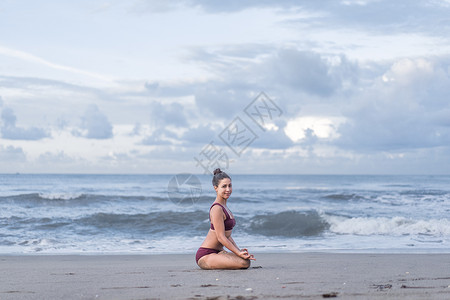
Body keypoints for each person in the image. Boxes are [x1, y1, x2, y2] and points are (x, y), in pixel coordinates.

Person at [195, 168, 255, 269]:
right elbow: (221, 237)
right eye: (224, 186)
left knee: (245, 260)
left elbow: (228, 236)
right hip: (206, 255)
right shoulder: (217, 208)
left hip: (218, 252)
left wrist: (239, 251)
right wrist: (237, 253)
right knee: (244, 263)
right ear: (216, 188)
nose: (228, 189)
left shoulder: (225, 208)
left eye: (230, 185)